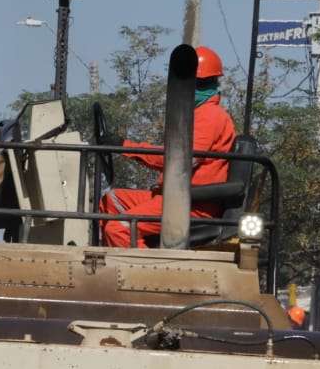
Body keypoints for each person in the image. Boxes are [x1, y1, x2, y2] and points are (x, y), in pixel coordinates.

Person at [99, 45, 236, 249]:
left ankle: (147, 275)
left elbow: (177, 163)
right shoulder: (196, 114)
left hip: (190, 204)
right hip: (173, 197)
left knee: (118, 228)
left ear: (194, 83)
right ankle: (104, 263)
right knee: (110, 199)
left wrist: (125, 147)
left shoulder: (209, 116)